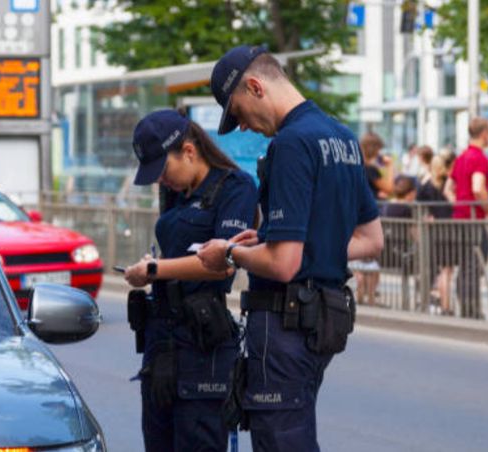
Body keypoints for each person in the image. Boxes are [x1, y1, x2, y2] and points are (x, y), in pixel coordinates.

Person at [197, 45, 383, 451]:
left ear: (255, 87)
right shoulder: (342, 137)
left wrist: (227, 253)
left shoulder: (291, 143)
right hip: (323, 321)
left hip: (284, 326)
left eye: (238, 113)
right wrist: (273, 243)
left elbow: (283, 264)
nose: (243, 127)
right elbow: (372, 240)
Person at [122, 109, 258, 451]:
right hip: (161, 341)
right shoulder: (176, 193)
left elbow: (224, 264)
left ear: (189, 151)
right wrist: (152, 265)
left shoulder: (235, 187)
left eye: (163, 169)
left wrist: (155, 270)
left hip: (202, 342)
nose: (160, 180)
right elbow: (174, 252)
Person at [446, 117, 488, 319]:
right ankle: (471, 308)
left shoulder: (461, 157)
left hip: (459, 218)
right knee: (475, 263)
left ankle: (465, 305)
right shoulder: (479, 158)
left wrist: (459, 204)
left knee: (465, 264)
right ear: (484, 134)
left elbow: (448, 188)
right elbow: (478, 187)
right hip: (474, 219)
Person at [354, 132, 392, 305]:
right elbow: (390, 187)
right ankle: (369, 297)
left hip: (357, 214)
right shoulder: (371, 169)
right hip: (370, 215)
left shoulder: (358, 166)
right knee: (371, 256)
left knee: (360, 259)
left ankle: (360, 294)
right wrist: (390, 167)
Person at [417, 156, 454, 315]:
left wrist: (426, 217)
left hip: (433, 231)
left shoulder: (426, 186)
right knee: (446, 270)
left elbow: (417, 206)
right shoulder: (448, 183)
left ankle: (435, 299)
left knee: (438, 268)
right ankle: (445, 305)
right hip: (450, 229)